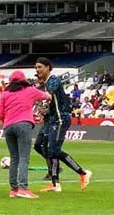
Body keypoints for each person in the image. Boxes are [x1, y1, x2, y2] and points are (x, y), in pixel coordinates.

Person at [34, 57, 92, 193]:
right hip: (52, 119)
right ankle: (55, 183)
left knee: (53, 151)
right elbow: (54, 102)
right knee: (43, 147)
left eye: (40, 67)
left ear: (48, 67)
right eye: (36, 67)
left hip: (61, 120)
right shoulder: (46, 82)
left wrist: (43, 96)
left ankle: (82, 173)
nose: (37, 70)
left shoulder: (52, 80)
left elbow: (52, 91)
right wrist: (46, 111)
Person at [0, 70, 51, 199]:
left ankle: (13, 189)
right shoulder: (30, 91)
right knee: (24, 157)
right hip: (24, 124)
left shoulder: (5, 94)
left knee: (14, 158)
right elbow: (47, 96)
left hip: (8, 127)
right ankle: (23, 188)